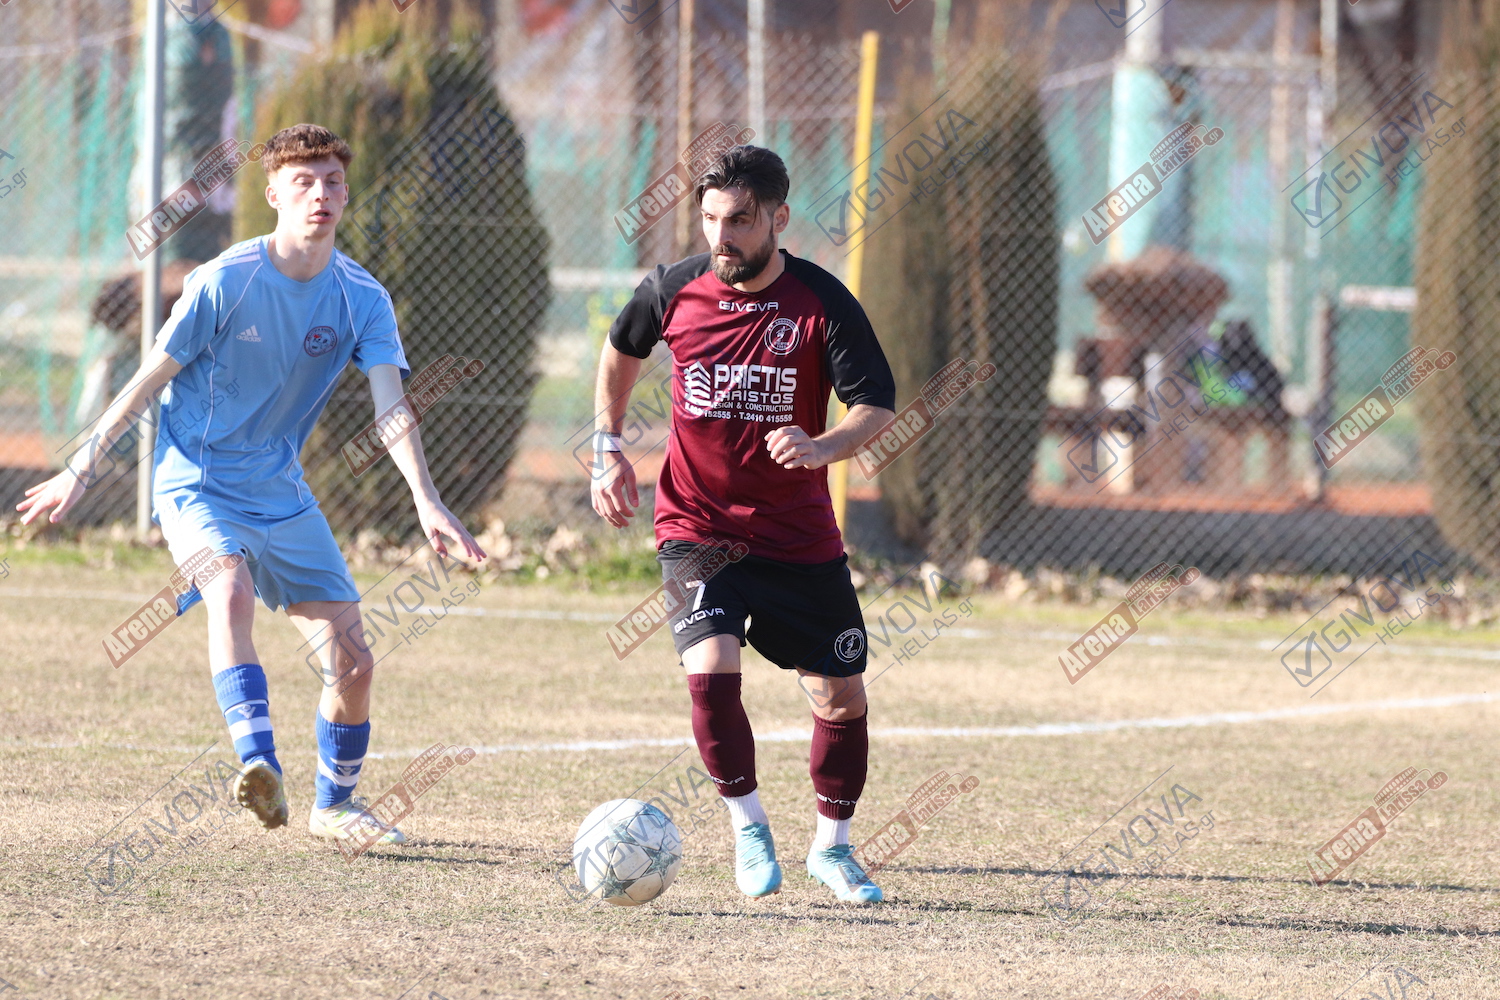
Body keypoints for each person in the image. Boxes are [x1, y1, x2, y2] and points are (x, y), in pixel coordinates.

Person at [19, 123, 485, 844]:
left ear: (346, 193)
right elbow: (145, 382)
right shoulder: (224, 282)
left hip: (281, 491)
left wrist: (427, 499)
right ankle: (259, 766)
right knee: (229, 590)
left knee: (355, 662)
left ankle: (335, 807)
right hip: (196, 483)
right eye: (303, 182)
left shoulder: (362, 298)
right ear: (273, 195)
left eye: (332, 182)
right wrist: (80, 468)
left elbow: (392, 409)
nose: (320, 195)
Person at [591, 145, 898, 903]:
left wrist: (822, 446)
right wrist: (608, 447)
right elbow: (621, 349)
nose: (721, 237)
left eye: (739, 221)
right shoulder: (672, 289)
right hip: (697, 526)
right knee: (711, 672)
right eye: (710, 219)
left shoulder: (821, 301)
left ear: (778, 218)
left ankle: (832, 849)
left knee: (841, 698)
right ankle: (749, 826)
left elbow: (876, 405)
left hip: (797, 536)